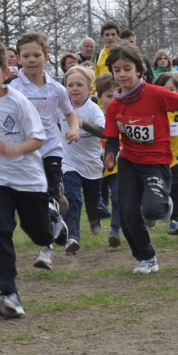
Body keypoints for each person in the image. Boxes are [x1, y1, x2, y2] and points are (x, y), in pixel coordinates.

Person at [0, 42, 65, 317]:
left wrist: (13, 150)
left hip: (28, 179)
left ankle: (53, 223)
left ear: (5, 72)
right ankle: (9, 293)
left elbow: (38, 138)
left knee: (38, 232)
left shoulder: (18, 101)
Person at [102, 41, 178, 274]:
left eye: (127, 69)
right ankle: (146, 257)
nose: (122, 74)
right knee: (128, 212)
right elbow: (112, 138)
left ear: (139, 70)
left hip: (156, 162)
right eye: (117, 70)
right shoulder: (114, 107)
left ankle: (164, 203)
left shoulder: (156, 94)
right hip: (129, 162)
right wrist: (110, 154)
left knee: (152, 210)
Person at [7, 30, 78, 269]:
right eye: (26, 56)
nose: (31, 60)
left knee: (46, 197)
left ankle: (45, 252)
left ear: (46, 57)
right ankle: (59, 209)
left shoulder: (56, 88)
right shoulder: (12, 88)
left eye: (36, 55)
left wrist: (74, 129)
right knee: (35, 203)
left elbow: (69, 113)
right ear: (18, 59)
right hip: (24, 151)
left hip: (50, 150)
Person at [60, 65, 111, 255]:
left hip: (92, 164)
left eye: (79, 85)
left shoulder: (93, 109)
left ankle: (94, 216)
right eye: (70, 84)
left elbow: (104, 132)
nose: (74, 88)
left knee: (93, 201)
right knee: (71, 196)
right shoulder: (61, 108)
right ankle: (72, 236)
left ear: (90, 89)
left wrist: (82, 124)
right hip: (69, 162)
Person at [153, 72, 178, 235]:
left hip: (177, 158)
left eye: (172, 89)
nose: (169, 93)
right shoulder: (153, 109)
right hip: (156, 158)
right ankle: (151, 212)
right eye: (165, 89)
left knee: (177, 186)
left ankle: (176, 220)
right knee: (157, 189)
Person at [96, 73, 123, 247]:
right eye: (108, 96)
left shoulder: (122, 117)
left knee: (118, 196)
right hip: (97, 168)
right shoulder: (95, 116)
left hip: (117, 167)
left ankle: (115, 230)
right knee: (100, 199)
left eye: (116, 96)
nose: (112, 99)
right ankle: (96, 215)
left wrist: (120, 152)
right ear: (99, 98)